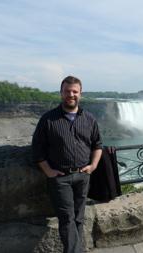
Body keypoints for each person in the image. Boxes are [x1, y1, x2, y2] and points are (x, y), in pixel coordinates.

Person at [32, 76, 102, 253]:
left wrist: (93, 166)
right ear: (61, 93)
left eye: (75, 91)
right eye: (67, 91)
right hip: (60, 178)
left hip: (83, 176)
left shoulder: (89, 118)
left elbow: (97, 145)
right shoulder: (48, 119)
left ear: (80, 94)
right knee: (67, 219)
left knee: (78, 218)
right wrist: (48, 171)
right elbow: (37, 150)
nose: (71, 95)